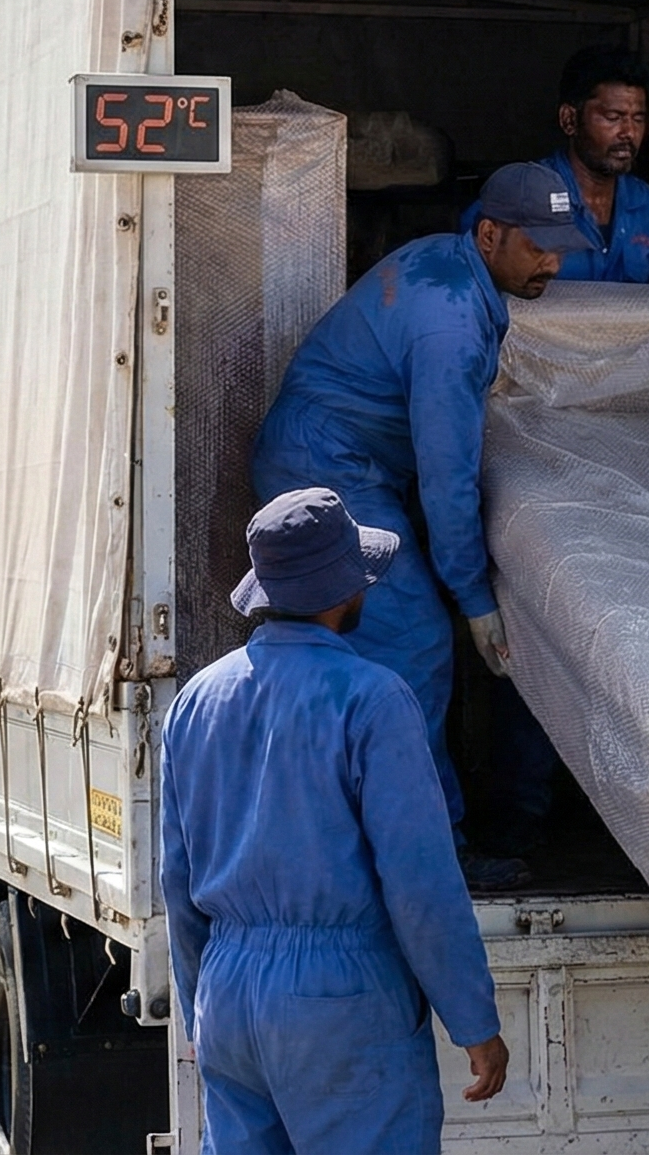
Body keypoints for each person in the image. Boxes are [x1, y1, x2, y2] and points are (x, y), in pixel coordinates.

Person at [249, 161, 591, 890]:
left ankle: (365, 833)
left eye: (562, 247)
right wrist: (474, 599)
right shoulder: (451, 327)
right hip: (331, 467)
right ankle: (430, 856)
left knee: (379, 650)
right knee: (416, 643)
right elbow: (446, 477)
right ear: (490, 234)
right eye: (538, 246)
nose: (553, 264)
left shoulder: (449, 263)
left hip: (341, 457)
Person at [160, 487, 511, 1155]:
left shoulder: (195, 702)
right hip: (341, 1000)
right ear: (343, 589)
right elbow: (421, 884)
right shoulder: (374, 701)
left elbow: (176, 883)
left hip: (227, 995)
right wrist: (473, 1021)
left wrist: (199, 1003)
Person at [462, 45, 649, 285]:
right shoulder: (520, 196)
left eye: (638, 119)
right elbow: (469, 291)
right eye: (613, 117)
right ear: (569, 120)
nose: (629, 132)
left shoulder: (648, 207)